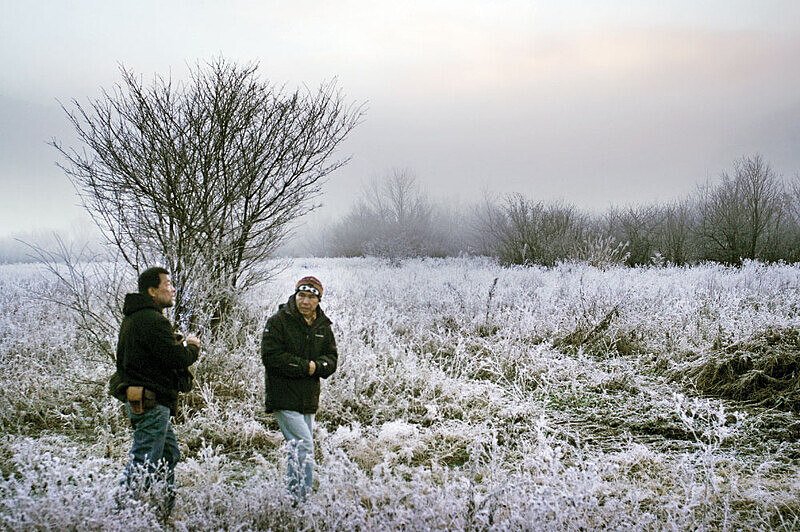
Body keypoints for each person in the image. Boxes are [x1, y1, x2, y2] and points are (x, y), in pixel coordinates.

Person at [115, 266, 200, 519]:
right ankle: (122, 516)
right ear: (152, 291)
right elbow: (176, 358)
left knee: (168, 455)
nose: (173, 289)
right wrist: (192, 347)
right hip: (151, 403)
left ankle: (162, 509)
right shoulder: (152, 320)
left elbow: (153, 357)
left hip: (147, 401)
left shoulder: (136, 318)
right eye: (168, 284)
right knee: (143, 462)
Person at [261, 275, 338, 502]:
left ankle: (293, 500)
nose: (305, 301)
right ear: (295, 296)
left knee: (298, 451)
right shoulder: (279, 322)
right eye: (301, 295)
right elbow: (271, 357)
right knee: (304, 448)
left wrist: (319, 366)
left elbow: (332, 360)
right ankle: (302, 503)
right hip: (283, 396)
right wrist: (308, 366)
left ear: (318, 300)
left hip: (308, 399)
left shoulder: (323, 326)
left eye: (311, 297)